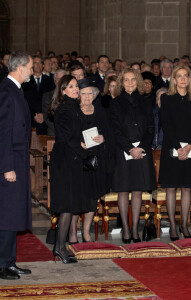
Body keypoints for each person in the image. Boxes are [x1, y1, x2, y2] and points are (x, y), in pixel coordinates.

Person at [110, 68, 156, 243]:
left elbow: (150, 128)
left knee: (137, 190)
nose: (130, 83)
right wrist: (129, 148)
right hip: (123, 151)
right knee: (123, 190)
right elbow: (115, 130)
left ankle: (136, 229)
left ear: (138, 82)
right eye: (126, 80)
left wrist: (141, 147)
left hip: (141, 151)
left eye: (133, 80)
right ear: (122, 83)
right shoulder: (115, 103)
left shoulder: (145, 102)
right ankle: (126, 230)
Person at [159, 65, 191, 240]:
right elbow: (166, 125)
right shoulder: (167, 99)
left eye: (186, 76)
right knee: (171, 188)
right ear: (174, 79)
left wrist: (189, 146)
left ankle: (184, 225)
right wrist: (179, 147)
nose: (183, 79)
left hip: (190, 148)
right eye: (180, 76)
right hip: (172, 147)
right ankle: (172, 226)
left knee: (186, 188)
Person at [0, 51, 33, 280]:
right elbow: (3, 134)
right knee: (7, 214)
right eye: (31, 67)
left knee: (12, 214)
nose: (32, 71)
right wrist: (7, 166)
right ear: (20, 67)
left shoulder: (16, 90)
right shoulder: (6, 91)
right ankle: (3, 264)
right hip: (10, 163)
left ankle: (9, 261)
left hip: (17, 161)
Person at [68, 78, 112, 244]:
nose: (87, 97)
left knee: (92, 199)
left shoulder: (101, 112)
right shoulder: (73, 111)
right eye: (84, 93)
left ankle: (86, 232)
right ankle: (73, 232)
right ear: (78, 95)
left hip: (95, 160)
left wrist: (103, 138)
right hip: (77, 159)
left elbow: (109, 134)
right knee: (76, 198)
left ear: (94, 96)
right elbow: (68, 135)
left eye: (90, 94)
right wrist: (78, 143)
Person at [49, 75, 86, 264]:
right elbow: (65, 137)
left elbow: (77, 134)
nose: (75, 89)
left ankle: (61, 247)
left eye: (76, 86)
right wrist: (83, 149)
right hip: (64, 162)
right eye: (70, 86)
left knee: (70, 206)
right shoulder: (64, 109)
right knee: (66, 206)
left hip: (72, 160)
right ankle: (59, 248)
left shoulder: (74, 108)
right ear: (62, 90)